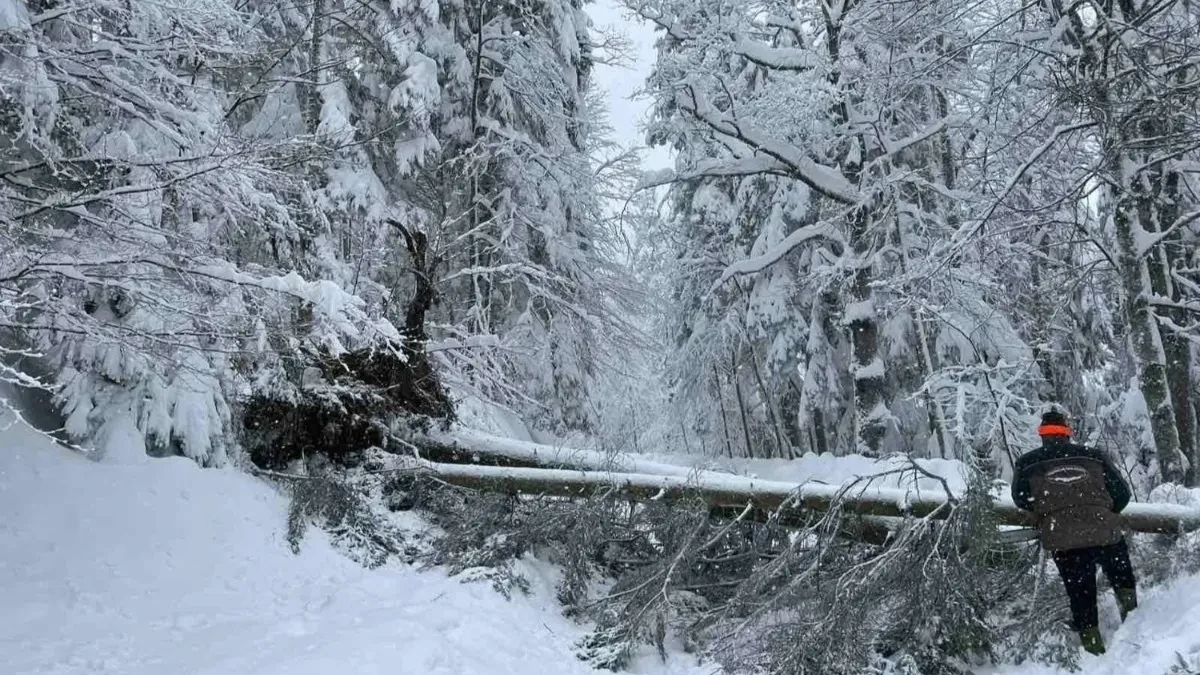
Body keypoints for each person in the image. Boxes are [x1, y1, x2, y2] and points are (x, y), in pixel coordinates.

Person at [1010, 408, 1138, 656]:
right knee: (1122, 576)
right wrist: (1104, 513)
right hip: (1104, 530)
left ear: (1042, 435)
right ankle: (1136, 624)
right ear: (1067, 432)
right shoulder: (1093, 456)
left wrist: (1048, 511)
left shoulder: (1027, 463)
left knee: (1080, 593)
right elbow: (1122, 493)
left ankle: (1093, 647)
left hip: (1063, 537)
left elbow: (1021, 499)